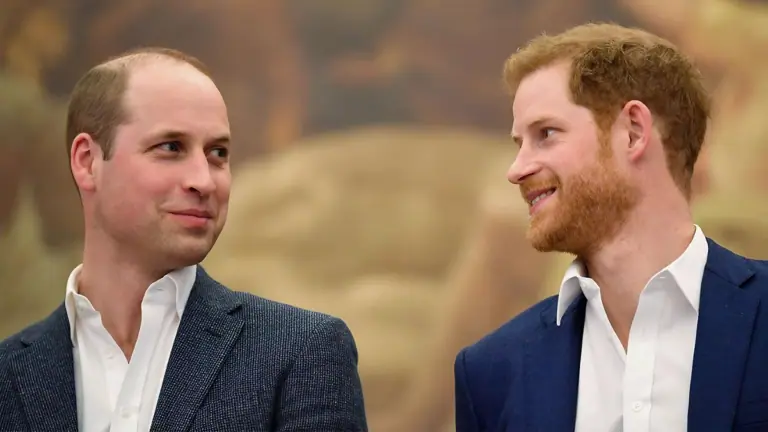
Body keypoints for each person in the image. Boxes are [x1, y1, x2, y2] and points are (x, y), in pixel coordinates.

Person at [0, 47, 367, 432]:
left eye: (217, 153)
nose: (204, 180)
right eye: (171, 147)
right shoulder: (9, 376)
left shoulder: (302, 354)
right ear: (88, 161)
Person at [453, 23, 768, 432]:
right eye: (519, 143)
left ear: (634, 132)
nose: (516, 170)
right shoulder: (491, 371)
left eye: (546, 134)